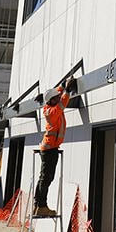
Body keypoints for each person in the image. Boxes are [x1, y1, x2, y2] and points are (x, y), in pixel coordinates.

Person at [33, 78, 76, 217]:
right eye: (56, 98)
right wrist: (68, 90)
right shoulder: (52, 111)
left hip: (50, 148)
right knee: (47, 178)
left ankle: (38, 204)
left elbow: (57, 92)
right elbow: (63, 102)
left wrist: (64, 85)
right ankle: (41, 205)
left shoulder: (49, 106)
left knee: (44, 177)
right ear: (51, 101)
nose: (58, 98)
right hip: (50, 149)